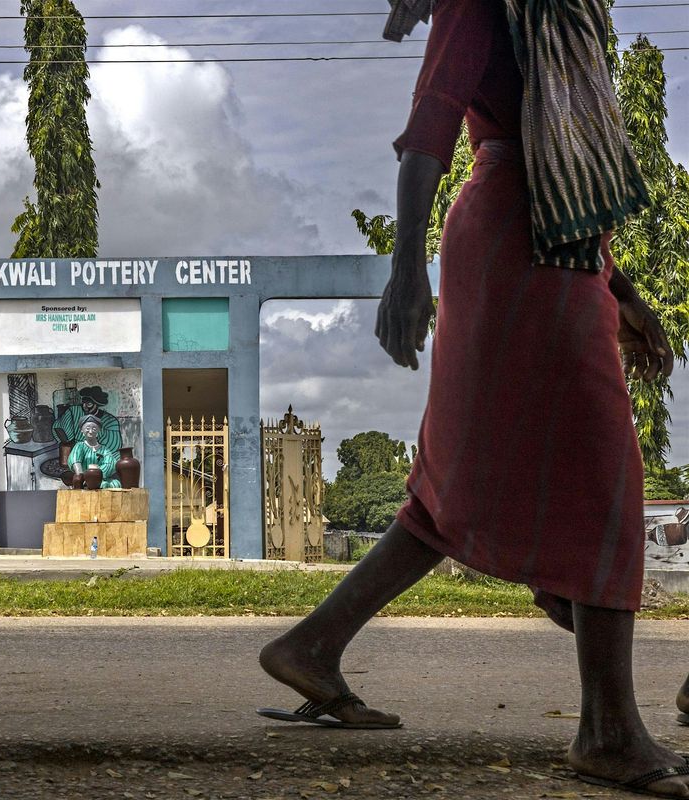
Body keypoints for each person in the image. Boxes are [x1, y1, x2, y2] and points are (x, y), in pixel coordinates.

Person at [257, 0, 687, 796]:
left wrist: (619, 284)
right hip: (509, 246)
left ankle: (312, 647)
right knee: (605, 478)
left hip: (562, 247)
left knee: (459, 486)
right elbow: (432, 119)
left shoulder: (567, 17)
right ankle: (607, 730)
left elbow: (570, 166)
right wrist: (405, 268)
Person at [53, 386, 122, 452]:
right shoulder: (74, 411)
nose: (84, 407)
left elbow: (113, 445)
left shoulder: (110, 421)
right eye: (83, 403)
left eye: (89, 404)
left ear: (96, 404)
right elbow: (59, 429)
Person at [67, 416, 122, 489]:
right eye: (87, 428)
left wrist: (95, 476)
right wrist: (82, 476)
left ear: (98, 431)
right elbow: (75, 460)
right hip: (85, 480)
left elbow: (110, 464)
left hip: (102, 478)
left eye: (94, 429)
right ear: (82, 430)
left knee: (115, 484)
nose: (90, 431)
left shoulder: (104, 449)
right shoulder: (80, 446)